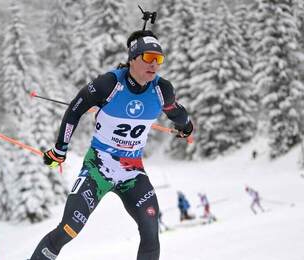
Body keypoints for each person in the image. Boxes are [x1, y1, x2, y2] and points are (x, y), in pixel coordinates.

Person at [30, 29, 193, 260]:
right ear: (133, 58)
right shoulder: (109, 83)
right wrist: (60, 149)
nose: (154, 64)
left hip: (132, 172)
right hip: (98, 167)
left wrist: (186, 125)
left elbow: (175, 111)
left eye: (159, 59)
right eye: (148, 58)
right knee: (69, 228)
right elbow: (75, 109)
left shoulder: (161, 89)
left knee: (150, 228)